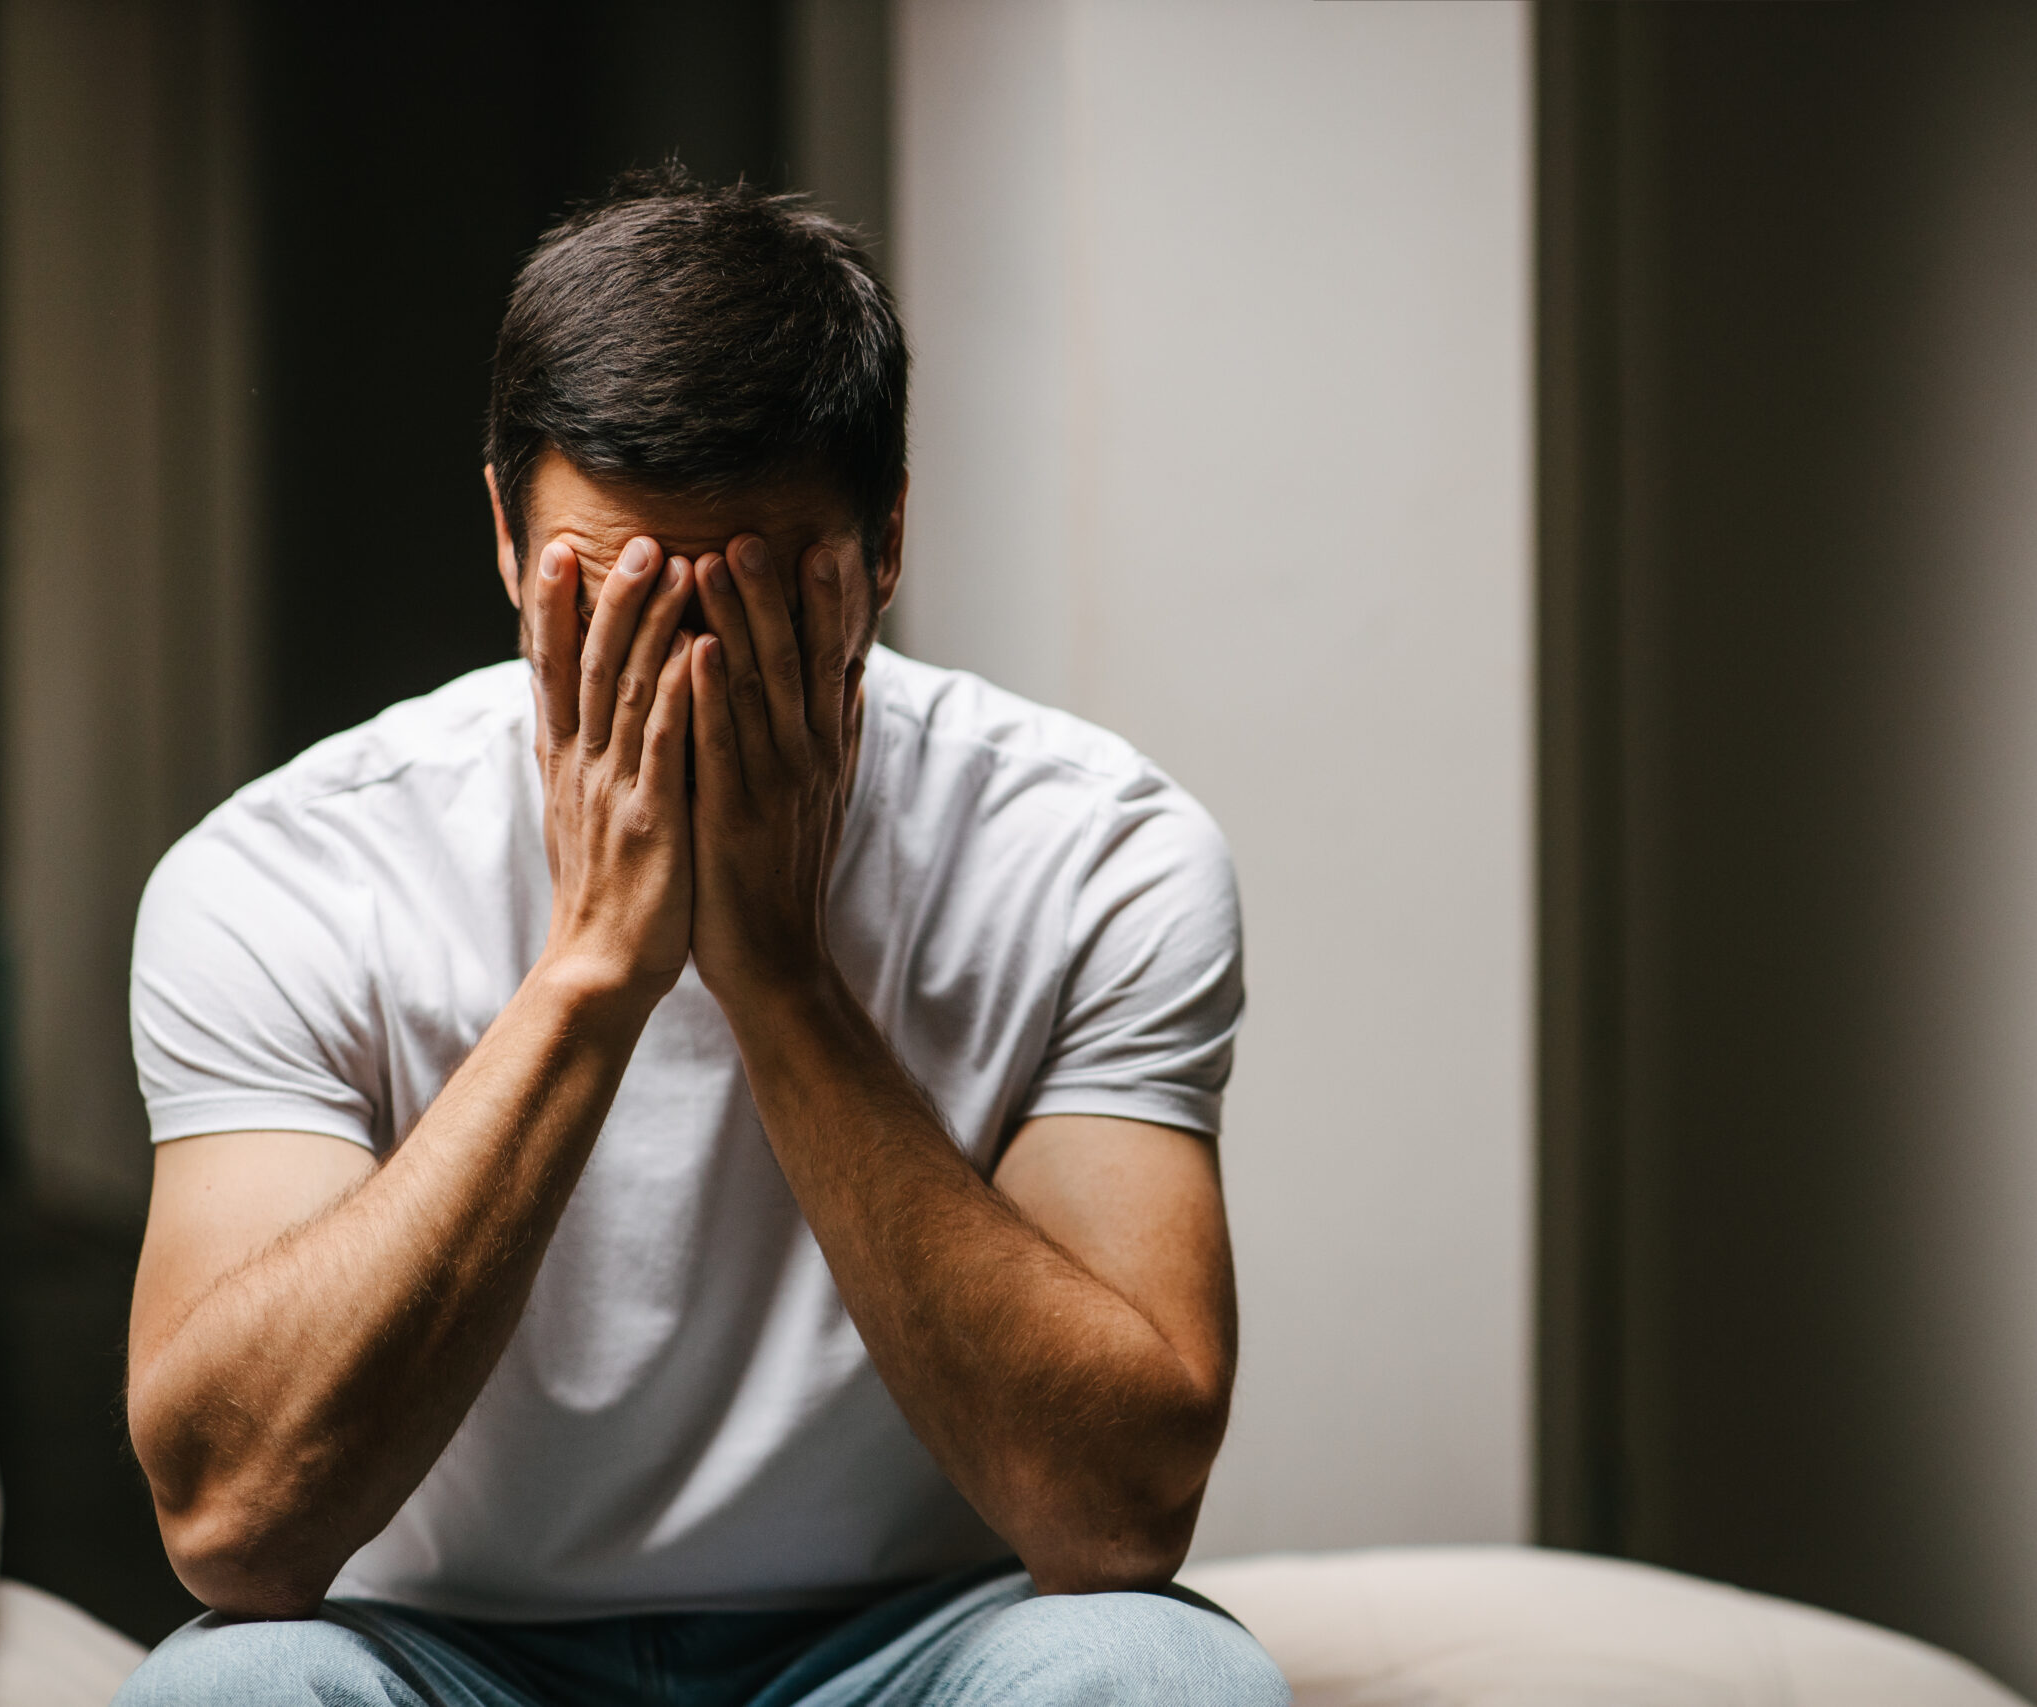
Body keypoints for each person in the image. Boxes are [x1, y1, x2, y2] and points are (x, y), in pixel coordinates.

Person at [113, 171, 1285, 1707]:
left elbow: (1119, 1514)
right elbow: (232, 1526)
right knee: (226, 1694)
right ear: (496, 533)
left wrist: (784, 984)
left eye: (755, 610)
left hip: (912, 1647)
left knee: (1161, 1671)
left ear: (887, 545)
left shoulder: (1097, 855)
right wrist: (593, 971)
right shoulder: (287, 873)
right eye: (607, 610)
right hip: (459, 1655)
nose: (681, 684)